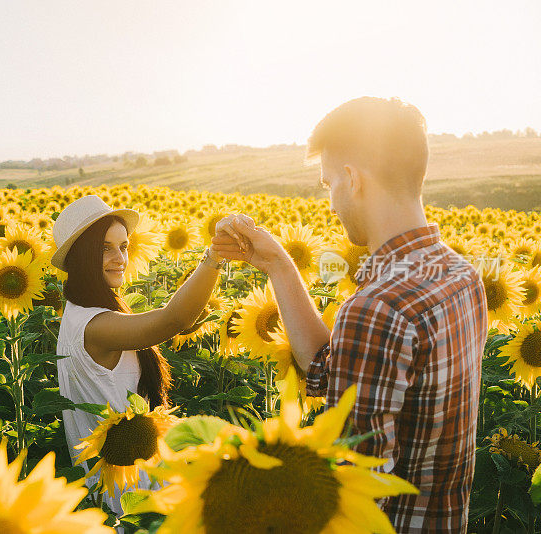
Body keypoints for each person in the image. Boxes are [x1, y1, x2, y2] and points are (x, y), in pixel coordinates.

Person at [212, 97, 488, 533]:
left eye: (327, 185)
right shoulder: (461, 276)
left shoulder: (379, 307)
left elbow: (356, 479)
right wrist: (281, 265)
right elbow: (329, 369)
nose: (331, 203)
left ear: (352, 179)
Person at [51, 194, 224, 517]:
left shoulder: (83, 313)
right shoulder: (92, 325)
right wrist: (214, 257)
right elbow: (172, 319)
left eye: (123, 246)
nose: (119, 257)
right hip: (128, 506)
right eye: (105, 248)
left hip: (135, 492)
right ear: (80, 258)